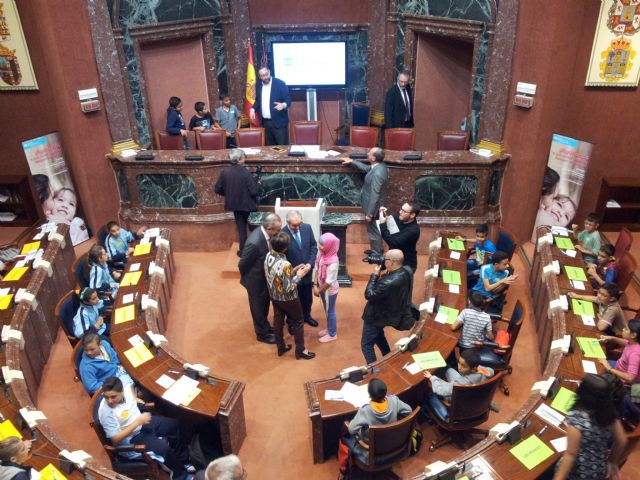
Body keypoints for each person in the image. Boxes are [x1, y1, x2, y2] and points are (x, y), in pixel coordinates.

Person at [98, 376, 192, 480]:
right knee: (163, 448)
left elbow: (126, 377)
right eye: (106, 397)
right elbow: (115, 438)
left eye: (113, 397)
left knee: (174, 425)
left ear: (122, 391)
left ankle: (183, 461)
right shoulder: (106, 412)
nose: (109, 401)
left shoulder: (126, 384)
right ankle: (180, 476)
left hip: (143, 422)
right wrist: (137, 422)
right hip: (132, 437)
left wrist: (135, 398)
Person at [552, 374, 626, 480]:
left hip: (578, 471)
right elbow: (622, 440)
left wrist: (558, 478)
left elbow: (571, 454)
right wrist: (612, 461)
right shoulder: (610, 413)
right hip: (599, 468)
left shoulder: (577, 416)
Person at [264, 232, 315, 360]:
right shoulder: (285, 264)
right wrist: (299, 276)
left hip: (275, 296)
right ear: (285, 248)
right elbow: (289, 287)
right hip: (289, 299)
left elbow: (278, 275)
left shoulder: (269, 255)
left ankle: (280, 347)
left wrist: (293, 270)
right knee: (298, 321)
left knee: (278, 320)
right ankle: (300, 351)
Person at [360, 249, 413, 364]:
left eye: (386, 259)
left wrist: (374, 275)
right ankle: (389, 361)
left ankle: (373, 370)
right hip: (386, 315)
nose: (384, 261)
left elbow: (369, 294)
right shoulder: (405, 272)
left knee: (366, 345)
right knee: (379, 337)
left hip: (375, 317)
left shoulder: (388, 282)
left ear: (392, 262)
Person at [238, 213, 281, 345]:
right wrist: (252, 278)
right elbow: (242, 265)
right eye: (278, 230)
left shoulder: (266, 235)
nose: (279, 232)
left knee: (264, 305)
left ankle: (266, 326)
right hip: (255, 282)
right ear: (269, 228)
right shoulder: (254, 242)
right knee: (257, 309)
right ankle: (262, 334)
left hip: (264, 280)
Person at [341, 148, 389, 255]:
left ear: (373, 158)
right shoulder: (379, 166)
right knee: (373, 229)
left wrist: (370, 213)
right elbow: (368, 168)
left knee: (374, 230)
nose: (367, 154)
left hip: (374, 207)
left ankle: (377, 253)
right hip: (372, 205)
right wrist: (352, 162)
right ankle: (375, 249)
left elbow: (375, 194)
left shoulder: (378, 174)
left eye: (370, 153)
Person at [215, 149, 261, 255]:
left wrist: (228, 194)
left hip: (235, 205)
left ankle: (243, 252)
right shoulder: (246, 172)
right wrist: (258, 183)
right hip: (249, 205)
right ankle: (255, 251)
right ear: (240, 160)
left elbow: (217, 189)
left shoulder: (225, 172)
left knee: (241, 230)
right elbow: (254, 191)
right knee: (254, 228)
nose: (244, 159)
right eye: (244, 157)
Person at [281, 210, 318, 328]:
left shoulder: (307, 228)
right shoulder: (282, 233)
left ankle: (307, 316)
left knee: (307, 298)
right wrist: (292, 270)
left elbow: (313, 246)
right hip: (293, 275)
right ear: (287, 222)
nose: (298, 227)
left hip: (307, 272)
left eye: (299, 224)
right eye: (294, 225)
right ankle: (291, 322)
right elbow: (282, 257)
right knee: (293, 301)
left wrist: (310, 263)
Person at [347, 378, 412, 444]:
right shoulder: (394, 400)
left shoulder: (365, 410)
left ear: (369, 395)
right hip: (393, 437)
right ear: (385, 392)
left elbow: (351, 430)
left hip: (374, 443)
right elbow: (409, 410)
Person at [424, 349, 494, 400]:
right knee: (449, 371)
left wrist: (432, 378)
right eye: (459, 362)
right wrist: (477, 368)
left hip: (462, 399)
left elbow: (441, 391)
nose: (459, 367)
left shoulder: (462, 382)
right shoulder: (484, 372)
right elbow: (492, 371)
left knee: (434, 386)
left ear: (473, 369)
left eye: (464, 366)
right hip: (476, 393)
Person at [250, 67, 291, 145]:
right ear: (259, 77)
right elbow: (258, 100)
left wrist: (283, 105)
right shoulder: (259, 85)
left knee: (282, 149)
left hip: (279, 123)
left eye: (266, 74)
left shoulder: (280, 83)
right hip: (265, 123)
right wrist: (253, 109)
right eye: (262, 76)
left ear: (269, 72)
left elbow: (288, 99)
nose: (265, 77)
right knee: (270, 149)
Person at [313, 232, 340, 343]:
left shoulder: (333, 262)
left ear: (330, 246)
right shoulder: (322, 255)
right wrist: (315, 285)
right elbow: (316, 268)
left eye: (322, 245)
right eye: (319, 243)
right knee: (327, 310)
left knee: (330, 311)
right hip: (322, 288)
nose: (319, 246)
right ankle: (329, 329)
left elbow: (328, 282)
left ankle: (332, 334)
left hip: (329, 291)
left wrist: (319, 290)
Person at [378, 201, 420, 272]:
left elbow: (392, 243)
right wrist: (384, 214)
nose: (400, 212)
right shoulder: (401, 217)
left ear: (412, 215)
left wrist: (382, 224)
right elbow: (390, 221)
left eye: (404, 211)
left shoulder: (413, 230)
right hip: (394, 259)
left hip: (406, 265)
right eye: (401, 209)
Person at [599, 320, 640, 384]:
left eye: (626, 329)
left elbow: (630, 378)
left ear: (633, 335)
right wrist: (611, 338)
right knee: (599, 362)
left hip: (620, 381)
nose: (623, 329)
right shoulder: (633, 342)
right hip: (617, 367)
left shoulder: (635, 354)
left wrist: (609, 368)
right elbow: (624, 342)